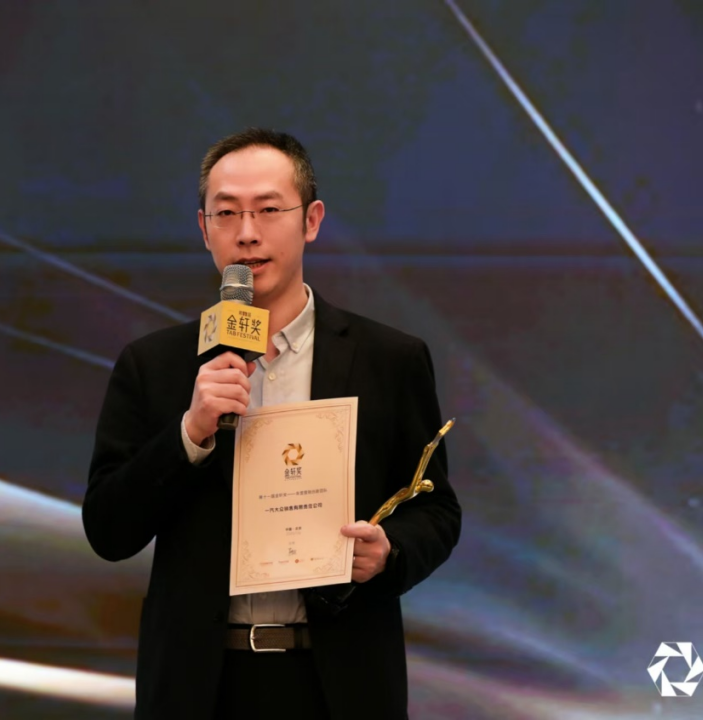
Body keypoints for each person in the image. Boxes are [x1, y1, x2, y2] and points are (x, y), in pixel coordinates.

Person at [83, 128, 461, 720]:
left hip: (337, 684)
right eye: (226, 213)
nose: (247, 233)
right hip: (201, 688)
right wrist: (190, 433)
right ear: (203, 229)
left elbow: (436, 509)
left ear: (311, 220)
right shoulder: (154, 365)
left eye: (267, 210)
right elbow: (108, 530)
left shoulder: (389, 359)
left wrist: (390, 551)